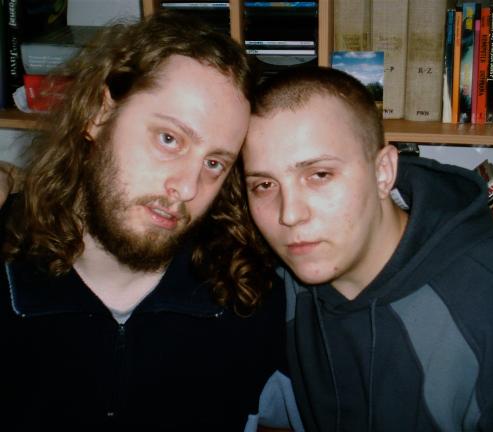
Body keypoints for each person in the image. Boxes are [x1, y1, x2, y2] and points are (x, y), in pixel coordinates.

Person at [0, 11, 302, 430]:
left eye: (214, 163)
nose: (188, 187)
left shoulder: (249, 298)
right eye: (169, 139)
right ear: (99, 115)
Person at [242, 66, 493, 431]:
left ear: (383, 171)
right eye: (264, 185)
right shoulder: (279, 282)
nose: (289, 215)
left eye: (320, 175)